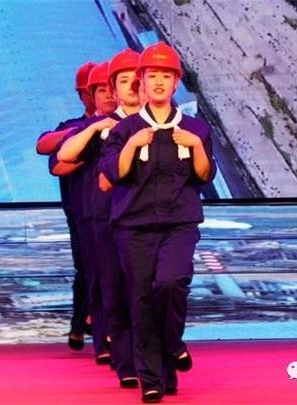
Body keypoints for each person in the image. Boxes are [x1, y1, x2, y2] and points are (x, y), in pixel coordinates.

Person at [100, 42, 216, 403]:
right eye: (153, 76)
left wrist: (195, 146)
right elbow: (113, 174)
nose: (160, 82)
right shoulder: (125, 129)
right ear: (143, 82)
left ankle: (173, 345)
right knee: (142, 299)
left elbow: (204, 175)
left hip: (179, 223)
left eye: (167, 76)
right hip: (134, 227)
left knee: (171, 282)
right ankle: (155, 378)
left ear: (176, 82)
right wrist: (132, 144)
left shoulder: (195, 129)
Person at [58, 48, 144, 388]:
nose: (111, 94)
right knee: (103, 280)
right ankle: (112, 348)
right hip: (96, 216)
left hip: (142, 218)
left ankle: (147, 351)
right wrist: (94, 134)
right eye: (106, 88)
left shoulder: (157, 123)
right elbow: (57, 157)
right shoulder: (90, 129)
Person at [35, 61, 95, 351]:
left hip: (117, 211)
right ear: (82, 95)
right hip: (81, 211)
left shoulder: (122, 125)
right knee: (86, 267)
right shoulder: (72, 128)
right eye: (91, 91)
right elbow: (48, 152)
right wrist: (83, 135)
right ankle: (80, 323)